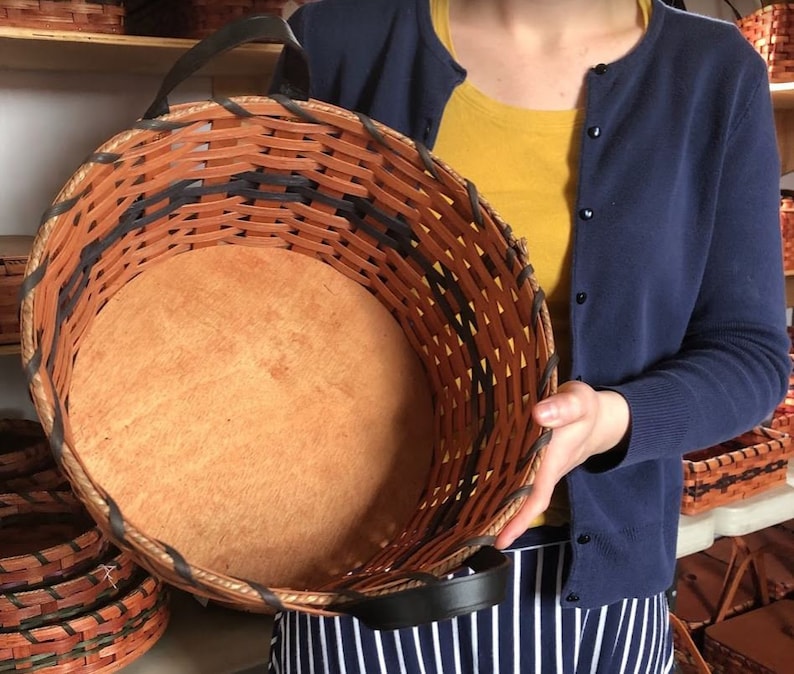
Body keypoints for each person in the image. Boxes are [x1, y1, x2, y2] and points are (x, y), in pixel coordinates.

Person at [268, 0, 792, 671]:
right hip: (344, 558)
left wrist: (609, 420)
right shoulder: (338, 40)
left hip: (585, 580)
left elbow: (749, 359)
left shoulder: (715, 73)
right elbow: (267, 300)